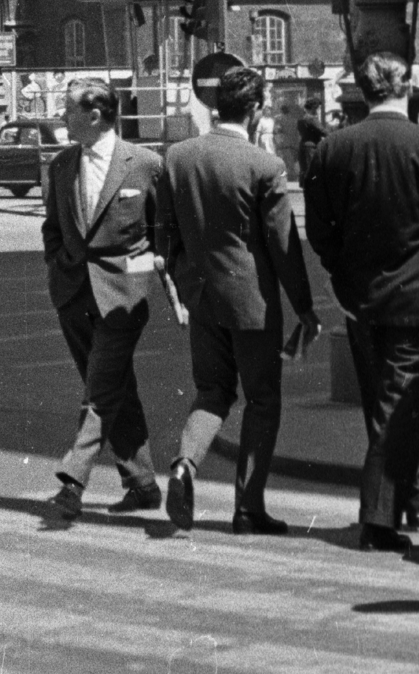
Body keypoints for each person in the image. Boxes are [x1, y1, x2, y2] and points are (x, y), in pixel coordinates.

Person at [305, 51, 419, 553]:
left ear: (363, 90)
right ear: (406, 88)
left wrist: (344, 270)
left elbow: (319, 232)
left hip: (361, 300)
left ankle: (403, 496)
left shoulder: (333, 149)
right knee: (402, 408)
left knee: (385, 407)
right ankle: (378, 519)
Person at [156, 66, 320, 535]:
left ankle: (185, 464)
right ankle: (248, 508)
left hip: (202, 297)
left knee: (213, 391)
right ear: (253, 110)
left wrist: (182, 287)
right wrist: (305, 308)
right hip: (251, 303)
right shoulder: (264, 166)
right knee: (263, 399)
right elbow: (284, 247)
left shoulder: (178, 157)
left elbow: (165, 235)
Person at [41, 78, 164, 519]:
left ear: (94, 115)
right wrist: (58, 263)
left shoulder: (145, 164)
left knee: (100, 388)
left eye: (67, 109)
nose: (61, 117)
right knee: (114, 387)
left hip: (123, 298)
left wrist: (142, 275)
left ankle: (74, 479)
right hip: (73, 293)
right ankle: (144, 484)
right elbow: (52, 226)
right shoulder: (61, 165)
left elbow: (161, 232)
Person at [296, 95, 326, 185]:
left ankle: (306, 184)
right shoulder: (311, 118)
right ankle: (312, 185)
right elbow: (322, 130)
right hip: (311, 146)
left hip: (304, 144)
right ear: (314, 107)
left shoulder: (303, 118)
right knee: (312, 167)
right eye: (317, 108)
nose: (317, 110)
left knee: (305, 167)